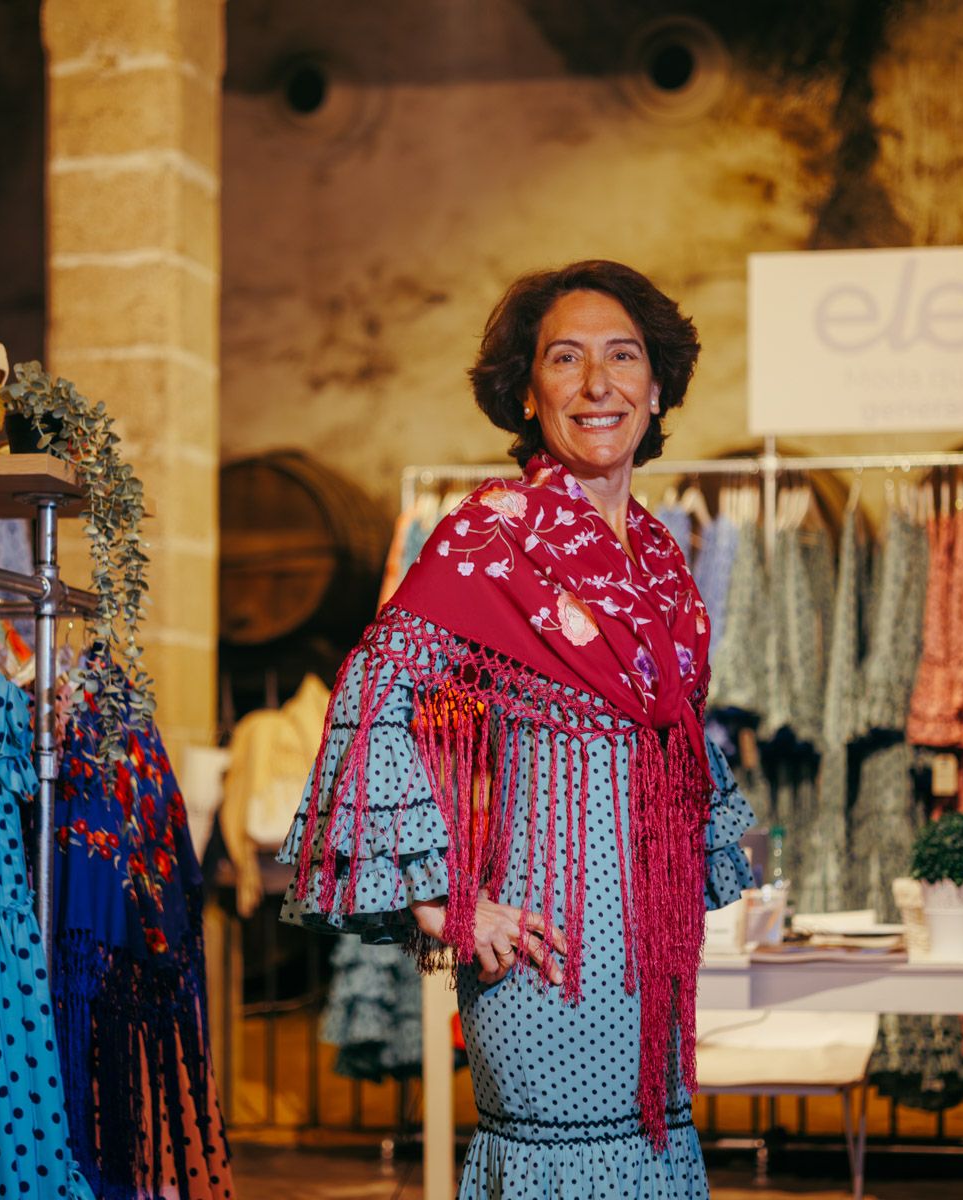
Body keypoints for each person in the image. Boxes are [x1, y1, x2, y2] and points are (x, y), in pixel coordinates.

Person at [279, 260, 756, 1197]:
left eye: (623, 357)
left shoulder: (658, 557)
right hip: (544, 952)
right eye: (565, 359)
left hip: (649, 960)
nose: (596, 384)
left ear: (656, 389)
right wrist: (437, 896)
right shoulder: (491, 535)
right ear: (529, 395)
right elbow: (373, 699)